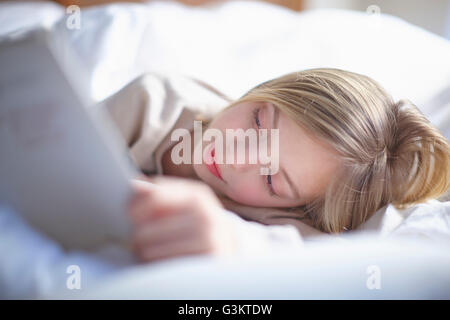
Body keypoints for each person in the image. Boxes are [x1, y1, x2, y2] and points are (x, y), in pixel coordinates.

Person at [101, 68, 450, 263]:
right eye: (257, 123)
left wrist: (231, 239)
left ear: (298, 208)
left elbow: (315, 260)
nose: (237, 156)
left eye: (270, 177)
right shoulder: (153, 103)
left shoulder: (282, 219)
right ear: (265, 89)